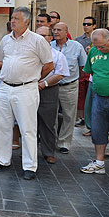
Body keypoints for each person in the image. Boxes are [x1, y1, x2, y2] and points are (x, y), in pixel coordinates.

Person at [0, 7, 53, 180]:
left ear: (27, 21)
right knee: (1, 125)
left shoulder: (38, 40)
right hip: (5, 87)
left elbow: (49, 65)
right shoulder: (6, 40)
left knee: (28, 128)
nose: (12, 21)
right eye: (12, 18)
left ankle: (30, 167)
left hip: (26, 89)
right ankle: (2, 160)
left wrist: (34, 78)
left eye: (16, 18)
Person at [80, 29, 109, 174]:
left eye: (102, 47)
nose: (100, 49)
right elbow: (90, 70)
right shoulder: (94, 52)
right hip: (99, 96)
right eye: (97, 46)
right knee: (98, 129)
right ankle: (99, 163)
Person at [35, 26, 69, 164]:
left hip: (49, 90)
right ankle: (29, 152)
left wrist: (44, 84)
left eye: (44, 35)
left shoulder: (57, 55)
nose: (40, 39)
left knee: (48, 123)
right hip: (28, 89)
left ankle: (48, 152)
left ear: (50, 38)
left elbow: (60, 74)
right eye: (38, 36)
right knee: (29, 123)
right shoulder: (29, 53)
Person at [51, 22, 86, 154]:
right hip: (52, 86)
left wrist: (75, 78)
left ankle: (64, 143)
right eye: (54, 30)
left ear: (66, 32)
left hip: (69, 86)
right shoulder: (49, 46)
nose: (56, 32)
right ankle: (51, 140)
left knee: (69, 115)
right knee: (51, 115)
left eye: (59, 30)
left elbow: (83, 66)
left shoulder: (76, 46)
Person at [75, 16, 97, 127]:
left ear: (94, 26)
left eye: (88, 24)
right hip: (82, 70)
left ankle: (92, 119)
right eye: (84, 24)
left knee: (92, 96)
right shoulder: (78, 40)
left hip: (93, 71)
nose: (86, 26)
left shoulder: (97, 39)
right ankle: (82, 118)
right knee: (81, 95)